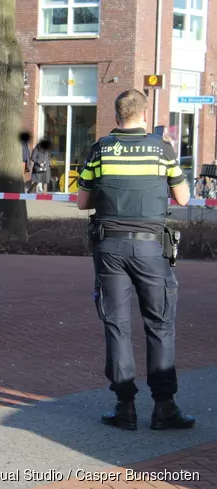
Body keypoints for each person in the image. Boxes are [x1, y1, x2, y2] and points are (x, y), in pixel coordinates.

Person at [76, 88, 193, 432]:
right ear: (145, 114)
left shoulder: (100, 150)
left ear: (116, 116)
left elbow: (83, 202)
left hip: (109, 248)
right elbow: (184, 198)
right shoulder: (162, 149)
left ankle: (124, 406)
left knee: (117, 324)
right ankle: (164, 407)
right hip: (150, 250)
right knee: (159, 324)